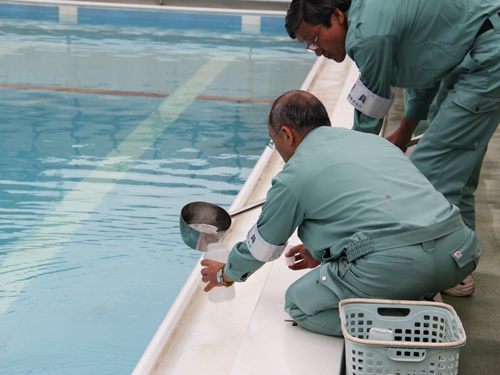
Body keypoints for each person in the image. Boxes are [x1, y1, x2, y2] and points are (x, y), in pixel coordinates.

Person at [200, 90, 481, 336]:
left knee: (300, 304)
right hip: (459, 253)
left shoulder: (294, 176)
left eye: (274, 142)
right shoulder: (374, 143)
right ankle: (420, 297)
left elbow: (263, 246)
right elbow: (377, 210)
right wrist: (325, 252)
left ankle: (413, 330)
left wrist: (226, 273)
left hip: (398, 266)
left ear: (287, 134)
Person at [284, 0, 500, 296]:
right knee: (456, 169)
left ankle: (443, 268)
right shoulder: (371, 16)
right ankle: (460, 263)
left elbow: (367, 121)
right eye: (310, 46)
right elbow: (426, 69)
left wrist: (338, 176)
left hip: (487, 55)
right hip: (474, 52)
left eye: (315, 40)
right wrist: (405, 131)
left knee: (429, 174)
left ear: (336, 16)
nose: (318, 52)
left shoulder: (367, 35)